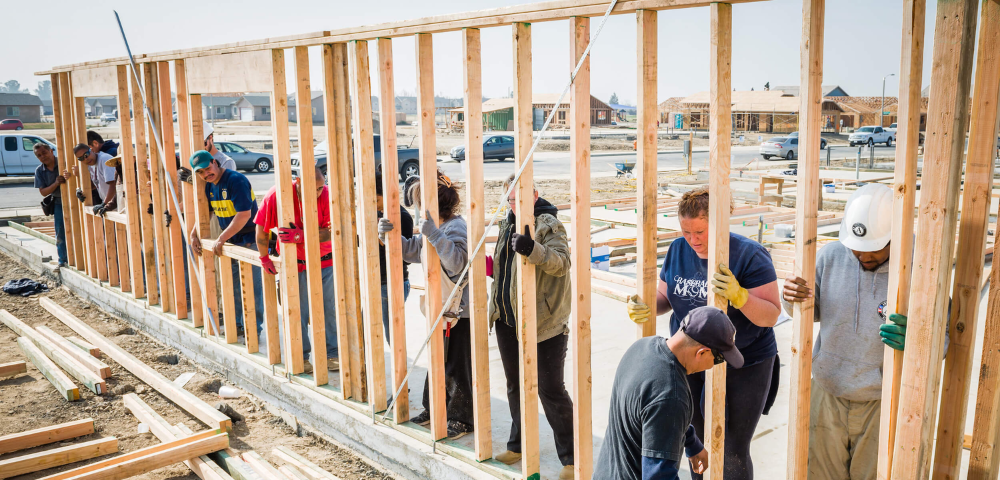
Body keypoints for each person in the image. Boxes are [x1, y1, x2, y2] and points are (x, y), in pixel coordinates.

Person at [626, 186, 781, 480]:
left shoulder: (750, 255)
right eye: (686, 232)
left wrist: (740, 296)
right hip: (691, 361)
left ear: (720, 222)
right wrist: (644, 307)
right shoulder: (678, 249)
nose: (692, 240)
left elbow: (771, 314)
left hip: (744, 362)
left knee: (732, 448)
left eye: (699, 232)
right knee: (696, 444)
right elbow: (665, 298)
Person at [782, 183, 911, 480]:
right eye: (857, 249)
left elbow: (942, 339)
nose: (863, 257)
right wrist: (791, 299)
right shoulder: (831, 257)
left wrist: (918, 340)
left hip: (883, 401)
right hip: (827, 393)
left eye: (874, 250)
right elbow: (806, 312)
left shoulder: (919, 266)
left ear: (897, 236)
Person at [488, 174, 575, 480]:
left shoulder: (548, 223)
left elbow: (562, 263)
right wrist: (493, 266)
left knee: (550, 389)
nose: (515, 204)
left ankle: (572, 456)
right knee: (515, 386)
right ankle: (519, 445)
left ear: (535, 194)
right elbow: (506, 267)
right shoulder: (506, 222)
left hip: (544, 322)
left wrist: (532, 250)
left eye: (520, 198)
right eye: (510, 199)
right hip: (507, 320)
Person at [378, 169, 474, 440]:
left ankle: (461, 419)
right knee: (436, 362)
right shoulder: (436, 226)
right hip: (438, 307)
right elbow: (412, 251)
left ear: (436, 201)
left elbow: (457, 264)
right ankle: (434, 410)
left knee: (456, 364)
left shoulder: (455, 227)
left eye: (419, 200)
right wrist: (388, 236)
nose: (417, 206)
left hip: (460, 311)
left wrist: (433, 234)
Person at [594, 306, 742, 480]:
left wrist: (692, 443)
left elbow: (655, 419)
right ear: (702, 352)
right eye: (719, 360)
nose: (713, 366)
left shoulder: (643, 347)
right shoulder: (671, 395)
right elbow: (658, 475)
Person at [254, 165, 339, 372]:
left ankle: (332, 354)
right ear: (299, 182)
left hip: (324, 261)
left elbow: (330, 232)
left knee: (329, 310)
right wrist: (264, 257)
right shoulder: (277, 195)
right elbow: (262, 229)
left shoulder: (326, 195)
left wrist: (301, 235)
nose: (319, 192)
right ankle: (302, 357)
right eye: (314, 189)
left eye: (321, 188)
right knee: (297, 311)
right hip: (295, 265)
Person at [187, 150, 263, 338]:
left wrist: (221, 238)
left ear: (215, 162)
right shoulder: (210, 185)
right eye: (201, 172)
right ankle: (238, 324)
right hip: (231, 241)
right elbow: (209, 212)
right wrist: (193, 233)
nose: (206, 174)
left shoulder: (235, 180)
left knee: (252, 289)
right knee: (234, 287)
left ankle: (253, 329)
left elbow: (244, 214)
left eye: (208, 168)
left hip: (248, 241)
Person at [374, 166, 414, 343]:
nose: (372, 202)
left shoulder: (403, 217)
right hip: (376, 281)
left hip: (392, 283)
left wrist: (382, 237)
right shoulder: (375, 213)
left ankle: (401, 370)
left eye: (375, 198)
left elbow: (406, 256)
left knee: (393, 335)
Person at [33, 143, 70, 267]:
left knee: (79, 229)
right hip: (58, 202)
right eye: (39, 155)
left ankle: (81, 258)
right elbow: (43, 192)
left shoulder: (64, 163)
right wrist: (56, 184)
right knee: (60, 232)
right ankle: (63, 260)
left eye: (44, 152)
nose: (43, 156)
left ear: (51, 151)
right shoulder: (40, 171)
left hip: (73, 200)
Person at [72, 143, 117, 215]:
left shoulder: (104, 159)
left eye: (86, 154)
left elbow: (114, 184)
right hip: (110, 206)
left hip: (117, 206)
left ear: (92, 150)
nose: (86, 158)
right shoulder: (91, 165)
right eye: (81, 158)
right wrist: (80, 190)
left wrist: (104, 203)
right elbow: (94, 185)